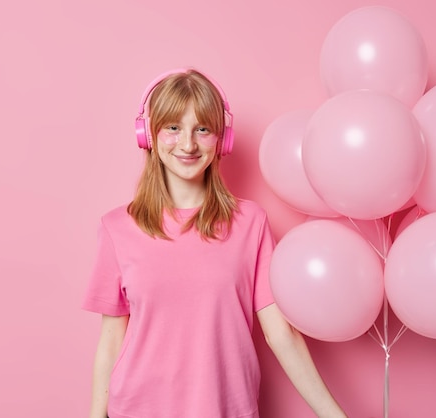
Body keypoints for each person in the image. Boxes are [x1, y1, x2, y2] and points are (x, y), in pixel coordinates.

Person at [82, 68, 348, 418]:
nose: (188, 144)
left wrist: (335, 416)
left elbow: (281, 335)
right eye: (173, 128)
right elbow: (111, 341)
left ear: (222, 140)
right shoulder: (118, 228)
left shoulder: (250, 224)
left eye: (202, 129)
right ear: (148, 135)